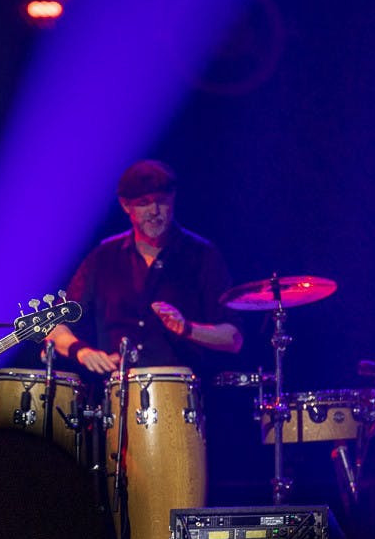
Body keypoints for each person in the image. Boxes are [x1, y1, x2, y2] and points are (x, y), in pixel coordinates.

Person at [48, 159, 243, 377]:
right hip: (114, 393)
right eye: (143, 203)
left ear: (173, 199)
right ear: (125, 206)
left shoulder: (202, 255)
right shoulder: (104, 256)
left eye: (161, 201)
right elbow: (54, 325)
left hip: (179, 395)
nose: (154, 211)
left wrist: (187, 328)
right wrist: (82, 352)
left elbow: (233, 338)